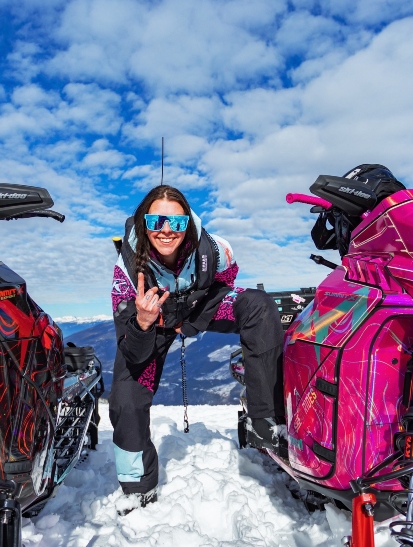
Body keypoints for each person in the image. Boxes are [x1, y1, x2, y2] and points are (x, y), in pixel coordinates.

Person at [109, 185, 285, 514]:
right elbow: (131, 351)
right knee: (126, 397)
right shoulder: (127, 272)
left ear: (188, 223)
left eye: (175, 223)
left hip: (197, 309)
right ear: (143, 222)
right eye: (156, 220)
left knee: (259, 306)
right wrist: (144, 323)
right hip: (150, 319)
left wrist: (189, 324)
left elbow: (225, 284)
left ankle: (268, 422)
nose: (165, 230)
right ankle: (137, 487)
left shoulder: (216, 250)